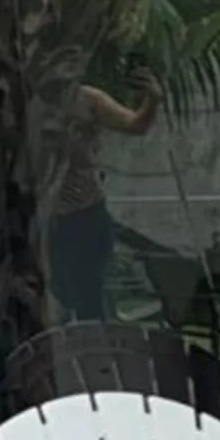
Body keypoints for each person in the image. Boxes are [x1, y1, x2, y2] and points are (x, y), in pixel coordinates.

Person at [47, 61, 161, 322]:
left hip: (84, 213)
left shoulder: (88, 99)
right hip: (45, 218)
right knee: (57, 296)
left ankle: (94, 354)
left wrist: (152, 100)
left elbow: (134, 124)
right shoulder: (31, 103)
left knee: (89, 299)